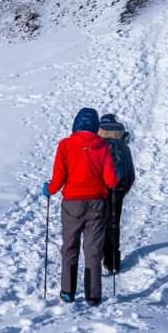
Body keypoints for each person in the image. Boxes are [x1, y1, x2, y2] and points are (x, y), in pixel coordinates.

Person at [43, 108, 118, 306]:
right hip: (97, 204)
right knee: (93, 250)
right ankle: (93, 296)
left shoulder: (65, 145)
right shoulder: (102, 146)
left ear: (76, 124)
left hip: (72, 204)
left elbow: (58, 179)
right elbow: (111, 181)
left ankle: (67, 292)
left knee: (69, 246)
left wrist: (48, 189)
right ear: (95, 126)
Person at [98, 114, 136, 274]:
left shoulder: (96, 142)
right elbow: (131, 174)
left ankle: (94, 259)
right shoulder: (123, 145)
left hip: (98, 189)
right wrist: (123, 190)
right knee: (113, 224)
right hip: (117, 189)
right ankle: (112, 262)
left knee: (96, 225)